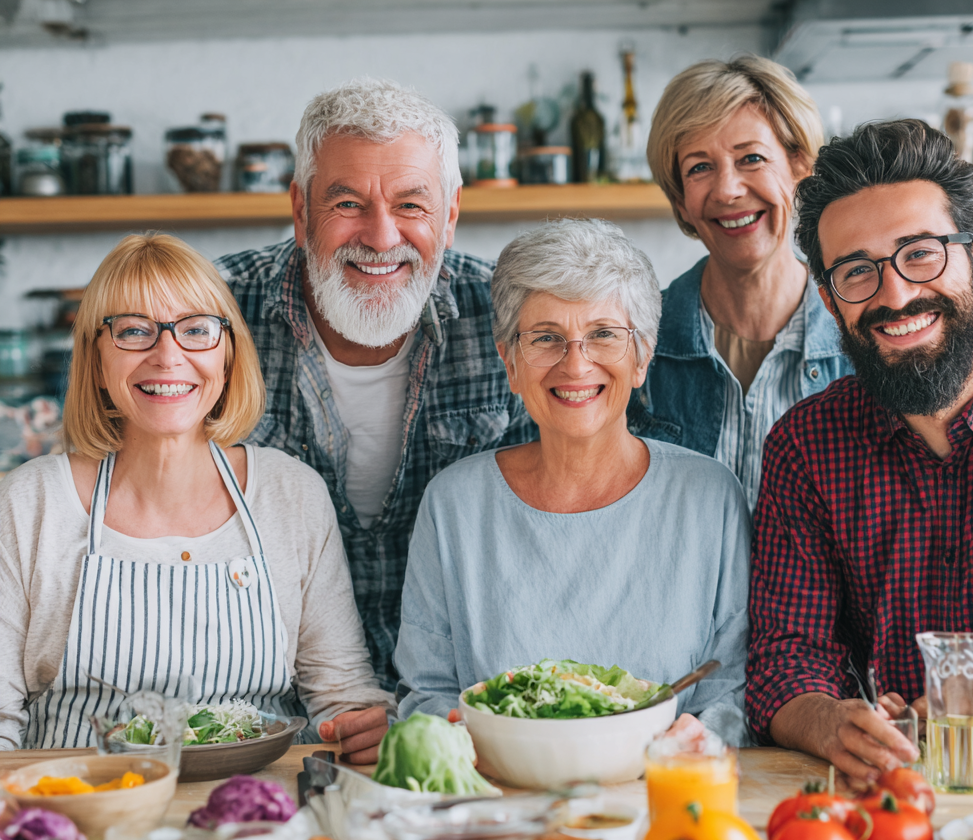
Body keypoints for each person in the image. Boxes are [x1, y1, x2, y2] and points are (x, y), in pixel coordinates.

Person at [216, 79, 535, 741]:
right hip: (253, 729)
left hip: (466, 721)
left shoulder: (513, 319)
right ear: (301, 211)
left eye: (411, 204)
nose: (382, 236)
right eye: (348, 203)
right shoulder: (210, 316)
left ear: (449, 215)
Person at [0, 233, 392, 752]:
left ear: (227, 357)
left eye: (196, 330)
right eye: (134, 331)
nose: (168, 356)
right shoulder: (31, 502)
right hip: (85, 811)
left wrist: (364, 728)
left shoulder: (291, 494)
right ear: (96, 361)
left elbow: (340, 697)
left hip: (258, 813)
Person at [393, 220, 751, 748]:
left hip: (663, 790)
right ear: (509, 362)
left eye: (604, 334)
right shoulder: (454, 505)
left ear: (642, 357)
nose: (576, 363)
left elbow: (731, 689)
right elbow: (427, 695)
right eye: (545, 338)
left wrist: (697, 741)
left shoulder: (711, 496)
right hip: (503, 801)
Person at [746, 119, 973, 782]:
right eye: (857, 272)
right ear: (829, 300)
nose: (894, 295)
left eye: (920, 254)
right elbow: (785, 657)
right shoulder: (804, 448)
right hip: (891, 799)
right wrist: (829, 723)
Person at [630, 55, 851, 510]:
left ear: (799, 169)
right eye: (699, 167)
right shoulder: (633, 342)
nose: (728, 189)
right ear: (681, 201)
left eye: (751, 157)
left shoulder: (865, 344)